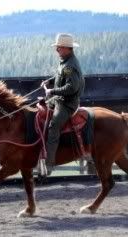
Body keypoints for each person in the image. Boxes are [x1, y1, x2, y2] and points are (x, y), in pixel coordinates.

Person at [41, 33, 85, 175]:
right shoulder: (65, 61)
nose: (57, 50)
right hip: (60, 99)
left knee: (53, 126)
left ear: (67, 48)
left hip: (67, 104)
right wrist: (50, 81)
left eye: (59, 47)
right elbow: (61, 75)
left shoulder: (70, 65)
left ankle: (49, 163)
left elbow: (71, 87)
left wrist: (52, 91)